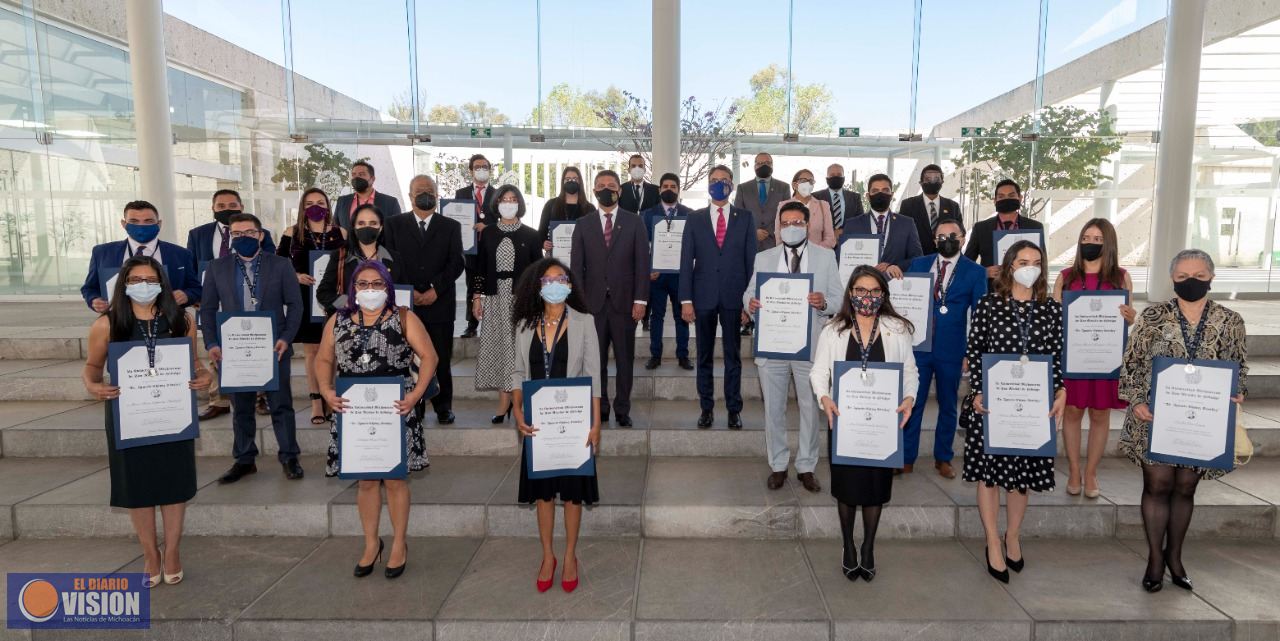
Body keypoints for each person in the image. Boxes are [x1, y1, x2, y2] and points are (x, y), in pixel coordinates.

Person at [1118, 249, 1247, 593]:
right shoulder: (1153, 316)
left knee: (1186, 487)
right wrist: (1138, 401)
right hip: (1154, 419)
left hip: (1202, 422)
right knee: (1158, 486)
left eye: (1200, 276)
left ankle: (1175, 557)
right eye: (1184, 276)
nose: (1192, 282)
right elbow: (1130, 363)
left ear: (1212, 278)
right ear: (1172, 278)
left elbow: (1239, 367)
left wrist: (1237, 393)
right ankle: (1155, 561)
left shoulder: (1230, 320)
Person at [82, 256, 211, 588]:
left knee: (174, 485)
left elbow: (195, 364)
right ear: (124, 284)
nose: (143, 286)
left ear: (162, 283)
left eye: (149, 279)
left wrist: (204, 376)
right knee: (137, 486)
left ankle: (172, 552)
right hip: (130, 417)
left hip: (173, 415)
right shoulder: (107, 324)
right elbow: (92, 369)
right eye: (135, 280)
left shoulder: (181, 320)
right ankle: (150, 553)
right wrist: (95, 387)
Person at [316, 260, 439, 579]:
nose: (370, 290)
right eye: (363, 284)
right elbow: (324, 358)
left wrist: (416, 395)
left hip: (397, 408)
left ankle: (399, 543)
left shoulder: (403, 317)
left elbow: (429, 357)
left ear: (387, 286)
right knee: (367, 480)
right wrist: (326, 391)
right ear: (353, 289)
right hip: (353, 412)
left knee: (395, 479)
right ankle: (372, 543)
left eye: (377, 284)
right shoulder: (337, 321)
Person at [961, 240, 1066, 583]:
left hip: (1033, 407)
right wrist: (976, 391)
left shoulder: (1050, 309)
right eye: (1023, 260)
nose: (1029, 266)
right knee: (990, 475)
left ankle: (1013, 534)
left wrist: (1061, 390)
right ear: (1009, 266)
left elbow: (1058, 355)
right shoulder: (989, 305)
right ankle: (992, 539)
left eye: (1036, 261)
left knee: (1022, 477)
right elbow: (975, 350)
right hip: (993, 405)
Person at [810, 265, 918, 582]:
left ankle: (868, 547)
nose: (866, 297)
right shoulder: (834, 330)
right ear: (850, 293)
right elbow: (818, 373)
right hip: (845, 422)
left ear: (883, 295)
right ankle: (848, 546)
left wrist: (909, 398)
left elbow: (910, 371)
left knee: (874, 488)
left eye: (874, 291)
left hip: (883, 425)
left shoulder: (897, 328)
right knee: (846, 488)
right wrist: (824, 398)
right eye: (860, 291)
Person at [510, 257, 601, 593]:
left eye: (560, 278)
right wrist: (517, 411)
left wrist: (596, 424)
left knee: (573, 496)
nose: (554, 285)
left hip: (575, 425)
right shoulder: (523, 325)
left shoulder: (583, 321)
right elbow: (518, 373)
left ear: (569, 283)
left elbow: (593, 374)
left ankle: (570, 556)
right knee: (545, 495)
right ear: (538, 286)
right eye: (547, 280)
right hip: (539, 425)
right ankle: (548, 555)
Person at [200, 213, 304, 483]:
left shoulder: (281, 265)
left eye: (249, 233)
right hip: (233, 351)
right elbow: (208, 309)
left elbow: (296, 305)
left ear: (260, 235)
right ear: (230, 237)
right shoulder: (216, 267)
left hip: (273, 348)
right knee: (241, 407)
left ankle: (289, 456)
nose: (243, 238)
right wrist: (211, 343)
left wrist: (286, 338)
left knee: (281, 405)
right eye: (237, 234)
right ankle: (244, 459)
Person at [746, 201, 843, 492]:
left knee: (810, 407)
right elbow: (750, 292)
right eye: (785, 223)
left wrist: (823, 302)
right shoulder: (765, 257)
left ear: (807, 225)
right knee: (773, 409)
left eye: (797, 223)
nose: (791, 228)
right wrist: (750, 304)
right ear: (778, 227)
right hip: (772, 344)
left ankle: (806, 466)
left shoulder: (826, 257)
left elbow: (838, 298)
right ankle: (777, 464)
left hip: (809, 346)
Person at [1052, 218, 1137, 497]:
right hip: (1074, 356)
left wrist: (1130, 317)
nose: (1090, 243)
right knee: (1073, 411)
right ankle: (1075, 470)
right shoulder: (1065, 277)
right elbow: (1054, 319)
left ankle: (1091, 473)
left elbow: (1129, 317)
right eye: (1086, 238)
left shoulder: (1121, 277)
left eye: (1098, 239)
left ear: (1108, 243)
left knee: (1100, 414)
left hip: (1105, 357)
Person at [902, 219, 987, 477]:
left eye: (953, 235)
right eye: (941, 235)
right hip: (919, 347)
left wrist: (970, 353)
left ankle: (943, 458)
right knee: (913, 402)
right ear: (933, 239)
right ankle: (906, 457)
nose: (946, 239)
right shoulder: (917, 265)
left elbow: (979, 316)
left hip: (953, 350)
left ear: (962, 238)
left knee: (948, 404)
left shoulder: (975, 272)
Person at [187, 189, 276, 420]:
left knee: (254, 347)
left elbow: (272, 264)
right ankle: (219, 400)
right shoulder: (198, 234)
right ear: (213, 208)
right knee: (216, 349)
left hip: (252, 304)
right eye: (221, 205)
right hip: (215, 302)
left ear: (241, 206)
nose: (227, 209)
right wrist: (198, 295)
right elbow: (191, 267)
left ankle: (260, 395)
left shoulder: (261, 233)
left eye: (232, 205)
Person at [384, 175, 465, 424]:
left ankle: (443, 407)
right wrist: (410, 292)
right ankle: (414, 407)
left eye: (430, 190)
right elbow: (389, 261)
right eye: (420, 191)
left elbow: (456, 263)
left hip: (439, 303)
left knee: (440, 357)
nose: (425, 194)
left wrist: (434, 289)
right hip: (405, 305)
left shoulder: (451, 226)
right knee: (407, 357)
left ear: (437, 195)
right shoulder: (393, 225)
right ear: (410, 196)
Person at [680, 165, 757, 429]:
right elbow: (685, 261)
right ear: (708, 185)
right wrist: (685, 300)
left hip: (735, 298)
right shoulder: (694, 218)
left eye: (724, 180)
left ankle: (734, 409)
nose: (719, 184)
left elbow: (751, 263)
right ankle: (707, 408)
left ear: (732, 185)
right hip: (702, 298)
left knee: (732, 356)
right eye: (714, 180)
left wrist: (748, 302)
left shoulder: (745, 218)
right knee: (703, 356)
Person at [570, 169, 649, 427]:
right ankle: (600, 406)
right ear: (594, 191)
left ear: (619, 190)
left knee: (625, 360)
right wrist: (579, 305)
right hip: (592, 306)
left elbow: (642, 264)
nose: (607, 189)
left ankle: (622, 409)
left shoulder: (634, 222)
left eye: (611, 185)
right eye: (601, 185)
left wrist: (641, 300)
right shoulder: (583, 224)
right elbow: (576, 268)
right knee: (596, 362)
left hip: (626, 304)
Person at [473, 185, 543, 423]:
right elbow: (480, 269)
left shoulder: (532, 235)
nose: (509, 203)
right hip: (495, 301)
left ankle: (520, 401)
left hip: (522, 302)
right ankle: (504, 401)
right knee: (501, 350)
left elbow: (539, 273)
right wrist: (476, 297)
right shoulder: (489, 233)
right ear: (497, 204)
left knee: (520, 351)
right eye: (504, 199)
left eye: (514, 199)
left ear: (520, 203)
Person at [277, 188, 347, 426]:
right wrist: (295, 275)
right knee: (312, 352)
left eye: (320, 202)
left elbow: (349, 263)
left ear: (328, 206)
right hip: (305, 299)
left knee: (333, 350)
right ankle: (316, 400)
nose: (315, 206)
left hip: (333, 299)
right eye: (309, 203)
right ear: (302, 207)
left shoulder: (341, 233)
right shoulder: (292, 233)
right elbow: (278, 265)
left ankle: (330, 397)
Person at [82, 200, 202, 313]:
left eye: (148, 221)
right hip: (119, 322)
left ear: (159, 224)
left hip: (169, 321)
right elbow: (89, 288)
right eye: (134, 221)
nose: (141, 226)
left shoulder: (181, 254)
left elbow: (195, 289)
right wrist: (93, 300)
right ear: (124, 224)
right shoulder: (102, 252)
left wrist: (186, 295)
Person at [642, 172, 694, 371]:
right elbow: (642, 246)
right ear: (659, 190)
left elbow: (692, 246)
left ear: (678, 190)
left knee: (682, 316)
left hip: (681, 275)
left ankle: (683, 355)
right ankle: (655, 355)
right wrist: (649, 268)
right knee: (657, 316)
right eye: (666, 186)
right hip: (656, 275)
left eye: (673, 186)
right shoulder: (647, 215)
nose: (669, 189)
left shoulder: (690, 214)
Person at [316, 204, 403, 314]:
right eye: (361, 223)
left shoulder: (395, 258)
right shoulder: (340, 256)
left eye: (373, 223)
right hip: (350, 322)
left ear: (381, 227)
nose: (367, 227)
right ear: (354, 227)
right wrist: (348, 302)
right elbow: (323, 293)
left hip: (385, 322)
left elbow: (403, 291)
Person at [843, 174, 923, 278]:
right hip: (863, 286)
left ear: (892, 194)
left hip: (895, 286)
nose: (880, 194)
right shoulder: (852, 225)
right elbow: (843, 259)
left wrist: (894, 266)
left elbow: (917, 258)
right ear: (867, 196)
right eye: (875, 191)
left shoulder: (907, 223)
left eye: (885, 190)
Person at [964, 179, 1044, 281]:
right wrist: (983, 272)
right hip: (991, 289)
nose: (1006, 199)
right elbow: (966, 263)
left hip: (1025, 288)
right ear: (995, 201)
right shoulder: (981, 228)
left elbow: (1042, 262)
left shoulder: (1035, 227)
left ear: (1020, 198)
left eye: (1011, 196)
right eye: (1001, 197)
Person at [458, 154, 498, 338]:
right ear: (471, 170)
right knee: (471, 285)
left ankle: (494, 324)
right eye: (477, 166)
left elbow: (505, 222)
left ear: (489, 170)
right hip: (470, 249)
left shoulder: (498, 194)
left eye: (484, 166)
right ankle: (471, 324)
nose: (481, 169)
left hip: (492, 248)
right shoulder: (461, 193)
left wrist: (487, 227)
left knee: (493, 286)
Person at [733, 152, 791, 252]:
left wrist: (769, 231)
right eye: (760, 163)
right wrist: (753, 232)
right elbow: (739, 216)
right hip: (750, 244)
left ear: (772, 165)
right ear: (754, 166)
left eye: (768, 163)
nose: (764, 166)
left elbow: (786, 214)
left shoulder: (784, 187)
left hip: (775, 243)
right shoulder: (743, 188)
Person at [899, 164, 962, 255]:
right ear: (921, 182)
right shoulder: (908, 205)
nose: (932, 182)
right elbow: (903, 235)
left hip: (946, 258)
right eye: (928, 179)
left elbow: (959, 234)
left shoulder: (953, 206)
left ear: (942, 182)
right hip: (917, 259)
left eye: (936, 179)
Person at [774, 169, 837, 248]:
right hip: (791, 257)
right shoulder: (783, 206)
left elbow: (830, 238)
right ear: (794, 185)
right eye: (803, 180)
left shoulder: (823, 206)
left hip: (817, 257)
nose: (807, 183)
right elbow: (779, 236)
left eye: (811, 181)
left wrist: (814, 251)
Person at [538, 166, 596, 251]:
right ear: (563, 182)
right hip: (556, 258)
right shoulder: (551, 205)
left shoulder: (590, 208)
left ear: (580, 182)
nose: (571, 181)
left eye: (575, 179)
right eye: (567, 179)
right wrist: (543, 243)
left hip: (582, 258)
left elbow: (594, 236)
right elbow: (541, 233)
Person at [333, 160, 402, 231]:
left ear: (372, 179)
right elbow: (336, 230)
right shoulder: (342, 201)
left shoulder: (391, 203)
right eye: (354, 175)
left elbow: (397, 231)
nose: (356, 178)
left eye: (361, 174)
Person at [812, 163, 864, 238]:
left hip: (849, 242)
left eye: (839, 175)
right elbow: (812, 223)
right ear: (827, 178)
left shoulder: (855, 198)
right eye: (832, 175)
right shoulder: (815, 197)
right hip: (823, 244)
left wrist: (843, 231)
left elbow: (860, 222)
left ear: (844, 178)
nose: (836, 177)